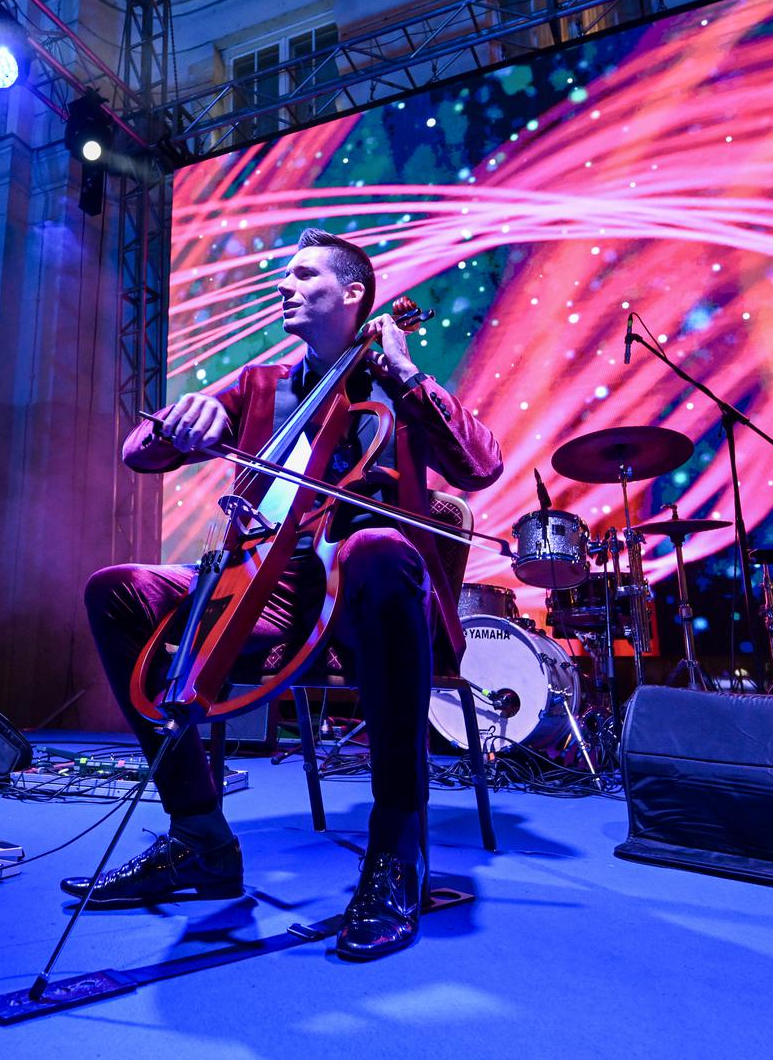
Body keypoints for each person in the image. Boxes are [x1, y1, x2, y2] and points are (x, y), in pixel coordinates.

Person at [67, 227, 503, 959]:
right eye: (285, 276)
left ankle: (398, 844)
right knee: (117, 591)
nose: (286, 286)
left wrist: (404, 375)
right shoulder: (261, 386)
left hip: (373, 593)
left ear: (354, 294)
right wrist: (182, 424)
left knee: (375, 545)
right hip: (270, 588)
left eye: (305, 276)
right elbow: (137, 454)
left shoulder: (394, 384)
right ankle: (199, 835)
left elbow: (480, 467)